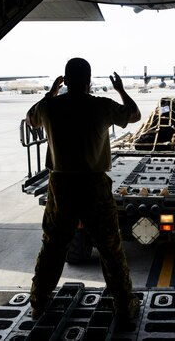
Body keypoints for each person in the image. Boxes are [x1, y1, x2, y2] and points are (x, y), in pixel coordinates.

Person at [26, 57, 142, 321]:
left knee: (53, 247)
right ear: (89, 82)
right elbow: (134, 115)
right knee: (110, 248)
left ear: (65, 80)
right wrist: (121, 90)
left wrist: (51, 93)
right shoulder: (101, 106)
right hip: (93, 185)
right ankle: (124, 306)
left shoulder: (50, 107)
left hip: (61, 185)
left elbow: (31, 119)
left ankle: (39, 302)